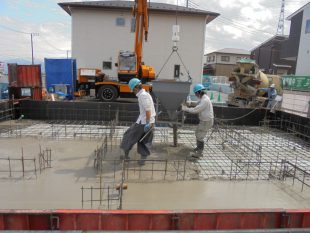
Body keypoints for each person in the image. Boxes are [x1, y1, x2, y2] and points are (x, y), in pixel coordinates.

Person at [120, 78, 156, 165]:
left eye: (132, 89)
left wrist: (147, 123)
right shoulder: (146, 94)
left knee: (128, 136)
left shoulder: (143, 95)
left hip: (143, 123)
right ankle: (142, 161)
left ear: (136, 88)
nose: (133, 91)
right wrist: (150, 123)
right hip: (150, 123)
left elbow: (148, 110)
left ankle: (126, 156)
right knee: (144, 141)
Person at [182, 84, 214, 159]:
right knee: (197, 133)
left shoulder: (205, 100)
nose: (196, 95)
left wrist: (185, 108)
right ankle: (198, 148)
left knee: (200, 136)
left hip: (206, 121)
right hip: (205, 121)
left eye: (196, 93)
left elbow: (196, 110)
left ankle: (199, 152)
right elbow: (197, 103)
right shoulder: (203, 98)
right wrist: (190, 103)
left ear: (199, 92)